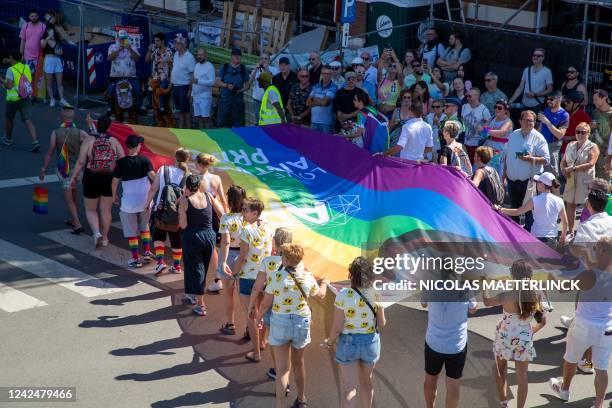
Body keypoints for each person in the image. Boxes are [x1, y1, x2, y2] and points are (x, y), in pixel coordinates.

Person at [258, 243, 329, 408]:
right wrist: (325, 282)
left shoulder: (276, 277)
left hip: (280, 321)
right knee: (298, 362)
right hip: (301, 322)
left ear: (286, 259)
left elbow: (265, 303)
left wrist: (258, 318)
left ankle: (279, 405)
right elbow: (321, 295)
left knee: (282, 369)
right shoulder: (308, 277)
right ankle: (302, 398)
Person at [549, 237, 612, 408]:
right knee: (601, 368)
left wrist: (552, 276)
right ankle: (598, 404)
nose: (594, 251)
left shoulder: (589, 274)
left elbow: (563, 288)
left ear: (604, 252)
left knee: (571, 359)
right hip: (607, 327)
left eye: (597, 249)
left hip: (583, 325)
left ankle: (565, 390)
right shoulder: (596, 272)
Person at [483, 260, 547, 408]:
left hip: (504, 336)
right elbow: (543, 321)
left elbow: (487, 302)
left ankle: (504, 402)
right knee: (522, 377)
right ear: (530, 275)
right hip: (524, 338)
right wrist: (530, 332)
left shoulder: (506, 295)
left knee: (500, 369)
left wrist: (485, 285)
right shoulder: (536, 294)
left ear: (513, 275)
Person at [324, 257, 386, 408]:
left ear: (351, 275)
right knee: (366, 382)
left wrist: (329, 341)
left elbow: (337, 327)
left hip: (348, 344)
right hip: (370, 342)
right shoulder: (376, 294)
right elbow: (382, 323)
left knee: (350, 389)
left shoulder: (343, 294)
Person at [421, 266, 477, 408]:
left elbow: (423, 304)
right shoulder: (465, 289)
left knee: (430, 380)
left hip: (434, 343)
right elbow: (473, 309)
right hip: (456, 345)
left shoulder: (430, 286)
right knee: (453, 385)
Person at [70, 116, 124, 247]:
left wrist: (72, 178)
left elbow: (81, 161)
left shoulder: (89, 140)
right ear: (109, 127)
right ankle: (105, 238)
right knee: (105, 210)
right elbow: (123, 161)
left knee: (90, 209)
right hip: (109, 178)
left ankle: (96, 233)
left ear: (97, 125)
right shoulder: (114, 141)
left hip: (91, 177)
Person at [248, 227, 295, 380]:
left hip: (270, 306)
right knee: (287, 342)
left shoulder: (268, 262)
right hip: (289, 308)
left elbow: (257, 286)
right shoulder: (296, 262)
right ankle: (286, 370)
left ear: (274, 242)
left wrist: (252, 305)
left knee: (274, 340)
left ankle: (278, 369)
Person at [39, 105, 93, 234]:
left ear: (62, 116)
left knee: (68, 198)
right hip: (78, 169)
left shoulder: (56, 133)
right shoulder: (80, 132)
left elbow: (50, 153)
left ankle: (77, 223)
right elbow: (92, 142)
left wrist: (43, 169)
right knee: (74, 193)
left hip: (64, 169)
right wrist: (91, 126)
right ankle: (73, 219)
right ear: (73, 116)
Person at [232, 198, 273, 362]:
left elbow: (242, 257)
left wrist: (234, 273)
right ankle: (262, 341)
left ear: (255, 213)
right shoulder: (268, 226)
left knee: (251, 315)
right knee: (261, 311)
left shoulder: (246, 231)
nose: (243, 212)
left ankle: (256, 352)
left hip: (248, 277)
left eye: (245, 210)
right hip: (264, 276)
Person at [179, 174, 224, 315]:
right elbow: (222, 213)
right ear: (199, 186)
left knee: (196, 270)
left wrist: (180, 208)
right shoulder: (208, 196)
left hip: (193, 237)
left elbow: (183, 225)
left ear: (186, 187)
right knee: (202, 268)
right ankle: (194, 294)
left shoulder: (186, 201)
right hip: (209, 236)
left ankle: (201, 304)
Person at [111, 135, 156, 268]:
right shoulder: (145, 160)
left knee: (131, 232)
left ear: (127, 147)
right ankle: (147, 251)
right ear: (137, 147)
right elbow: (153, 177)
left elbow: (114, 182)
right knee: (145, 227)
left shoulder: (121, 163)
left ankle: (136, 259)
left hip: (128, 203)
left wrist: (114, 196)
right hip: (145, 201)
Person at [145, 148, 191, 276]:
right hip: (178, 212)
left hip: (161, 209)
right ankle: (176, 266)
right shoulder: (188, 175)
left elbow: (153, 188)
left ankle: (160, 262)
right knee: (176, 239)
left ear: (174, 157)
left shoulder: (164, 169)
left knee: (159, 236)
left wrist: (147, 204)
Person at [503, 110, 550, 231]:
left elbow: (546, 159)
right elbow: (507, 155)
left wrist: (531, 159)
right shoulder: (513, 134)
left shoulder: (539, 138)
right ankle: (514, 234)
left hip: (529, 181)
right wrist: (505, 173)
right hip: (512, 179)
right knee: (514, 209)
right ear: (520, 121)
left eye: (532, 121)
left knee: (530, 211)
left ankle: (529, 237)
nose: (529, 123)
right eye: (526, 120)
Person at [499, 172, 568, 245]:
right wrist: (563, 236)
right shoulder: (559, 200)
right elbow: (565, 222)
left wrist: (501, 209)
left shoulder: (534, 200)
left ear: (543, 184)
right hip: (553, 239)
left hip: (537, 238)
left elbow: (518, 212)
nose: (536, 183)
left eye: (538, 182)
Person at [217, 185, 247, 335]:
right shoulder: (249, 218)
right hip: (245, 256)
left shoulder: (226, 218)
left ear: (229, 199)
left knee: (229, 293)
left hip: (229, 256)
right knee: (245, 294)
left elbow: (225, 241)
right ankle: (251, 326)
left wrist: (223, 261)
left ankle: (231, 324)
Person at [561, 123, 600, 234]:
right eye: (578, 132)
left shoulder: (593, 146)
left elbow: (591, 163)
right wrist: (564, 169)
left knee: (588, 205)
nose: (580, 134)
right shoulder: (570, 145)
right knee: (570, 204)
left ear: (588, 134)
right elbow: (563, 161)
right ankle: (571, 231)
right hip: (570, 179)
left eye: (583, 132)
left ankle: (587, 232)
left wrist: (573, 168)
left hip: (585, 180)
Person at [1, 50, 39, 151]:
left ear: (12, 58)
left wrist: (1, 80)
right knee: (28, 120)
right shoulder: (26, 67)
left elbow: (9, 86)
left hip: (13, 99)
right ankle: (35, 141)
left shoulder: (10, 70)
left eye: (10, 57)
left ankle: (8, 139)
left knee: (9, 120)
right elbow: (28, 80)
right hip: (25, 97)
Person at [107, 30, 141, 116]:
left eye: (124, 38)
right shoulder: (112, 47)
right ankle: (110, 108)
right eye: (120, 38)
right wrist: (119, 50)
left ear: (127, 38)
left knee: (138, 91)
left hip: (131, 77)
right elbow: (109, 58)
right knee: (110, 92)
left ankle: (140, 107)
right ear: (117, 38)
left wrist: (129, 49)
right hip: (116, 78)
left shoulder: (132, 46)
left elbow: (137, 59)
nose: (122, 40)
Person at [538, 91, 569, 176]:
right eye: (547, 99)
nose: (548, 101)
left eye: (551, 99)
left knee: (551, 176)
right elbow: (541, 127)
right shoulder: (546, 110)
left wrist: (547, 122)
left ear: (559, 99)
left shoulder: (564, 115)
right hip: (541, 145)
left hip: (552, 146)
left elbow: (560, 135)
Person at [40, 14, 68, 107]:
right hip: (48, 60)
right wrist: (48, 37)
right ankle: (52, 99)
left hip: (57, 60)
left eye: (52, 30)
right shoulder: (44, 38)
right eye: (49, 30)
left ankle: (62, 99)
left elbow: (61, 52)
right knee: (49, 81)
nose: (51, 32)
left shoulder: (57, 40)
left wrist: (59, 51)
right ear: (47, 31)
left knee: (59, 81)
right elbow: (42, 45)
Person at [482, 100, 513, 177]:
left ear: (505, 110)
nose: (496, 109)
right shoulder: (492, 118)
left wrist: (486, 130)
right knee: (486, 168)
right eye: (495, 107)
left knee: (495, 169)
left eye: (499, 108)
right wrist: (485, 130)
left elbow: (501, 133)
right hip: (489, 146)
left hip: (499, 148)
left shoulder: (508, 122)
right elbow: (483, 131)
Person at [170, 36, 195, 129]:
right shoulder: (176, 54)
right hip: (176, 86)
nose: (176, 44)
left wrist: (190, 90)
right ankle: (181, 129)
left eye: (178, 43)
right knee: (180, 110)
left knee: (186, 110)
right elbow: (174, 68)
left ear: (184, 44)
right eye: (175, 42)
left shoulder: (190, 57)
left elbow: (192, 75)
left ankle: (188, 130)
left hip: (184, 86)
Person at [145, 33, 173, 113]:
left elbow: (172, 66)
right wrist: (149, 50)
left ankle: (162, 107)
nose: (155, 43)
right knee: (148, 86)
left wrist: (170, 79)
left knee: (161, 87)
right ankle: (150, 104)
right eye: (155, 41)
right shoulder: (155, 51)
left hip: (165, 77)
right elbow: (147, 60)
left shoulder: (168, 51)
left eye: (157, 41)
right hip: (155, 77)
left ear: (163, 41)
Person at [461, 87, 491, 160]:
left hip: (476, 144)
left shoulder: (484, 110)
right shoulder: (464, 106)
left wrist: (483, 130)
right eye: (467, 96)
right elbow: (462, 121)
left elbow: (488, 129)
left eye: (470, 96)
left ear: (477, 96)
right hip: (464, 142)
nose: (467, 97)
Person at [249, 53, 279, 125]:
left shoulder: (274, 70)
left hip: (268, 102)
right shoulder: (256, 70)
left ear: (269, 60)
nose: (263, 60)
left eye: (265, 59)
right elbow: (250, 81)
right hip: (257, 101)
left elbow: (275, 81)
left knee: (267, 122)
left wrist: (266, 69)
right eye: (262, 58)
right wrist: (256, 69)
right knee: (258, 121)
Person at [560, 90, 591, 159]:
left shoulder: (583, 117)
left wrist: (570, 137)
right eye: (565, 101)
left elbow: (587, 135)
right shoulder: (563, 113)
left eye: (568, 102)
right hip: (561, 149)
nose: (565, 103)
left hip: (575, 152)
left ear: (576, 104)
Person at [307, 65, 337, 134]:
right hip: (313, 122)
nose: (326, 75)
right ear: (321, 74)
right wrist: (321, 100)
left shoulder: (334, 87)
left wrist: (314, 99)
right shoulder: (316, 86)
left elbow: (325, 103)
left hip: (327, 124)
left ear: (331, 75)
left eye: (328, 74)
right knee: (313, 144)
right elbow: (308, 103)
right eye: (324, 73)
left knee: (326, 144)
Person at [190, 47, 215, 129]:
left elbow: (212, 82)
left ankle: (209, 135)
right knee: (199, 117)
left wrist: (199, 81)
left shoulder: (210, 66)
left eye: (201, 55)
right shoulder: (196, 65)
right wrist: (192, 94)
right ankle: (202, 135)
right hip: (196, 96)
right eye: (198, 55)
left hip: (205, 96)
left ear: (206, 55)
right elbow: (194, 80)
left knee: (205, 118)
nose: (199, 56)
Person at [591, 89, 611, 179]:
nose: (594, 102)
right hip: (593, 151)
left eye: (596, 99)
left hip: (605, 154)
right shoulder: (595, 113)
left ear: (604, 98)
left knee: (604, 181)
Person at [19, 10, 46, 77]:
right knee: (27, 75)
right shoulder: (26, 26)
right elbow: (23, 40)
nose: (34, 17)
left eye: (35, 16)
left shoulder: (43, 27)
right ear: (29, 17)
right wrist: (22, 54)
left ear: (38, 16)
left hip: (39, 57)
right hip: (27, 56)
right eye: (32, 16)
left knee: (37, 76)